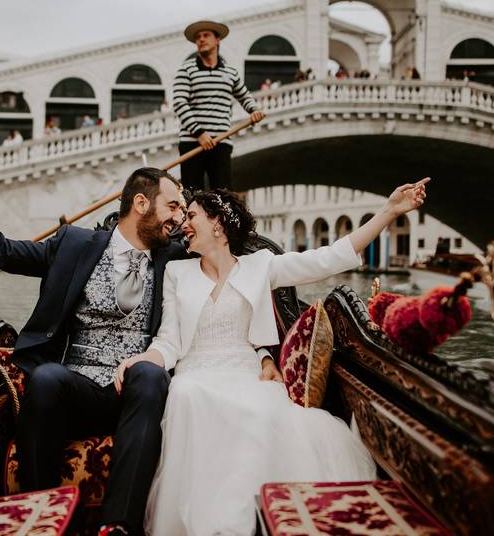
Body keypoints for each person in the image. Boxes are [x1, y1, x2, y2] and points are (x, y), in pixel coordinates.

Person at [117, 179, 430, 535]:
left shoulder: (260, 265)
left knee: (263, 408)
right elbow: (169, 339)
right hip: (196, 373)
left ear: (217, 223)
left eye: (191, 216)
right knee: (189, 395)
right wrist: (144, 359)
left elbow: (326, 259)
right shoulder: (177, 272)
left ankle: (255, 520)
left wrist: (388, 211)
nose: (183, 225)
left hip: (247, 372)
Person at [0, 151, 187, 536]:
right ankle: (39, 515)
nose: (179, 216)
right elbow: (1, 251)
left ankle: (117, 526)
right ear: (141, 202)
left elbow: (229, 259)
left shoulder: (176, 257)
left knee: (149, 373)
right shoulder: (73, 245)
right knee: (45, 378)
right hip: (79, 390)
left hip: (138, 397)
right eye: (173, 205)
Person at [172, 20, 265, 192]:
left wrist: (254, 110)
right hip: (192, 142)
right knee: (192, 194)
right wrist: (200, 133)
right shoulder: (186, 70)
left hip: (221, 141)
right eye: (198, 37)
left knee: (223, 194)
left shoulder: (230, 73)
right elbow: (179, 103)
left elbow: (244, 95)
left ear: (217, 40)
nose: (201, 39)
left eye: (206, 35)